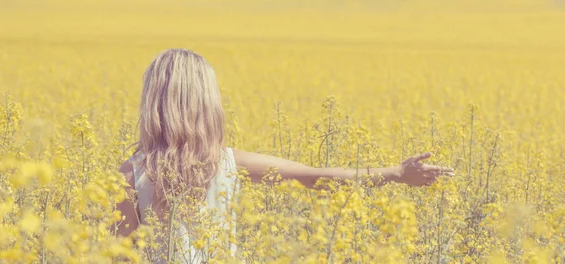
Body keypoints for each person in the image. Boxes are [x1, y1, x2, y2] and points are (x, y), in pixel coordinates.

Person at [115, 48, 455, 261]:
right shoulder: (230, 164)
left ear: (152, 103)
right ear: (208, 103)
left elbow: (121, 258)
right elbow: (316, 178)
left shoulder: (128, 177)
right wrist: (395, 173)